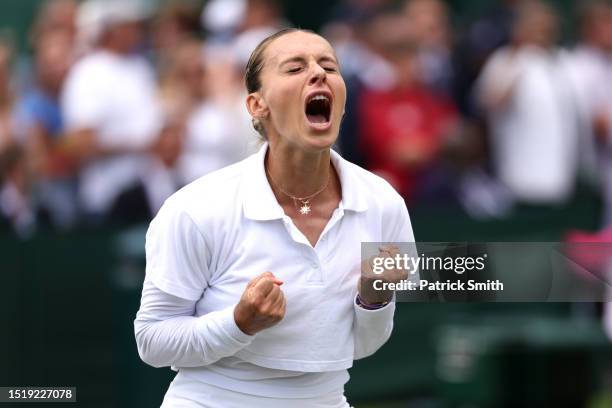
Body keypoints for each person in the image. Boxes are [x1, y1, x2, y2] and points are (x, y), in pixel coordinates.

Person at [134, 28, 415, 407]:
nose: (319, 74)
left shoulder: (384, 204)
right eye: (295, 68)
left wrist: (374, 299)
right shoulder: (196, 208)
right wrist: (238, 323)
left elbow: (364, 345)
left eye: (329, 66)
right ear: (256, 105)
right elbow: (152, 341)